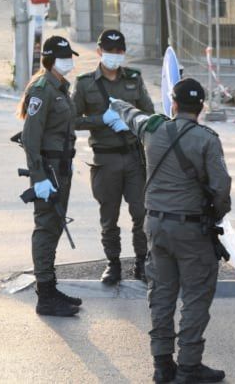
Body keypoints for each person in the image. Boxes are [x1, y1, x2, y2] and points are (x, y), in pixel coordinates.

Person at [109, 78, 231, 384]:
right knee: (195, 297)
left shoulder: (153, 129)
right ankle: (189, 366)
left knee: (161, 294)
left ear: (173, 104)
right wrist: (217, 214)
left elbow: (131, 115)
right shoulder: (207, 139)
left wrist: (116, 103)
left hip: (156, 226)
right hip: (192, 229)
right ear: (201, 108)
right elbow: (221, 188)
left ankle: (162, 364)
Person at [72, 29, 155, 285]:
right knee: (109, 216)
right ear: (99, 52)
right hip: (105, 159)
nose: (114, 56)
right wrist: (102, 120)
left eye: (119, 51)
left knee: (141, 213)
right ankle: (113, 263)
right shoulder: (85, 83)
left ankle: (142, 262)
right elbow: (72, 120)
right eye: (109, 51)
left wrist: (130, 122)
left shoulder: (134, 78)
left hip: (133, 157)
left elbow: (149, 114)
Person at [15, 36, 80, 317]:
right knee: (46, 227)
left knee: (54, 226)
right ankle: (45, 295)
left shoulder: (60, 88)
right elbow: (30, 138)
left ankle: (50, 288)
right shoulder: (42, 90)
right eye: (64, 57)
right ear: (51, 60)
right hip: (48, 170)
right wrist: (39, 177)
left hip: (61, 167)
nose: (69, 61)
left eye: (70, 56)